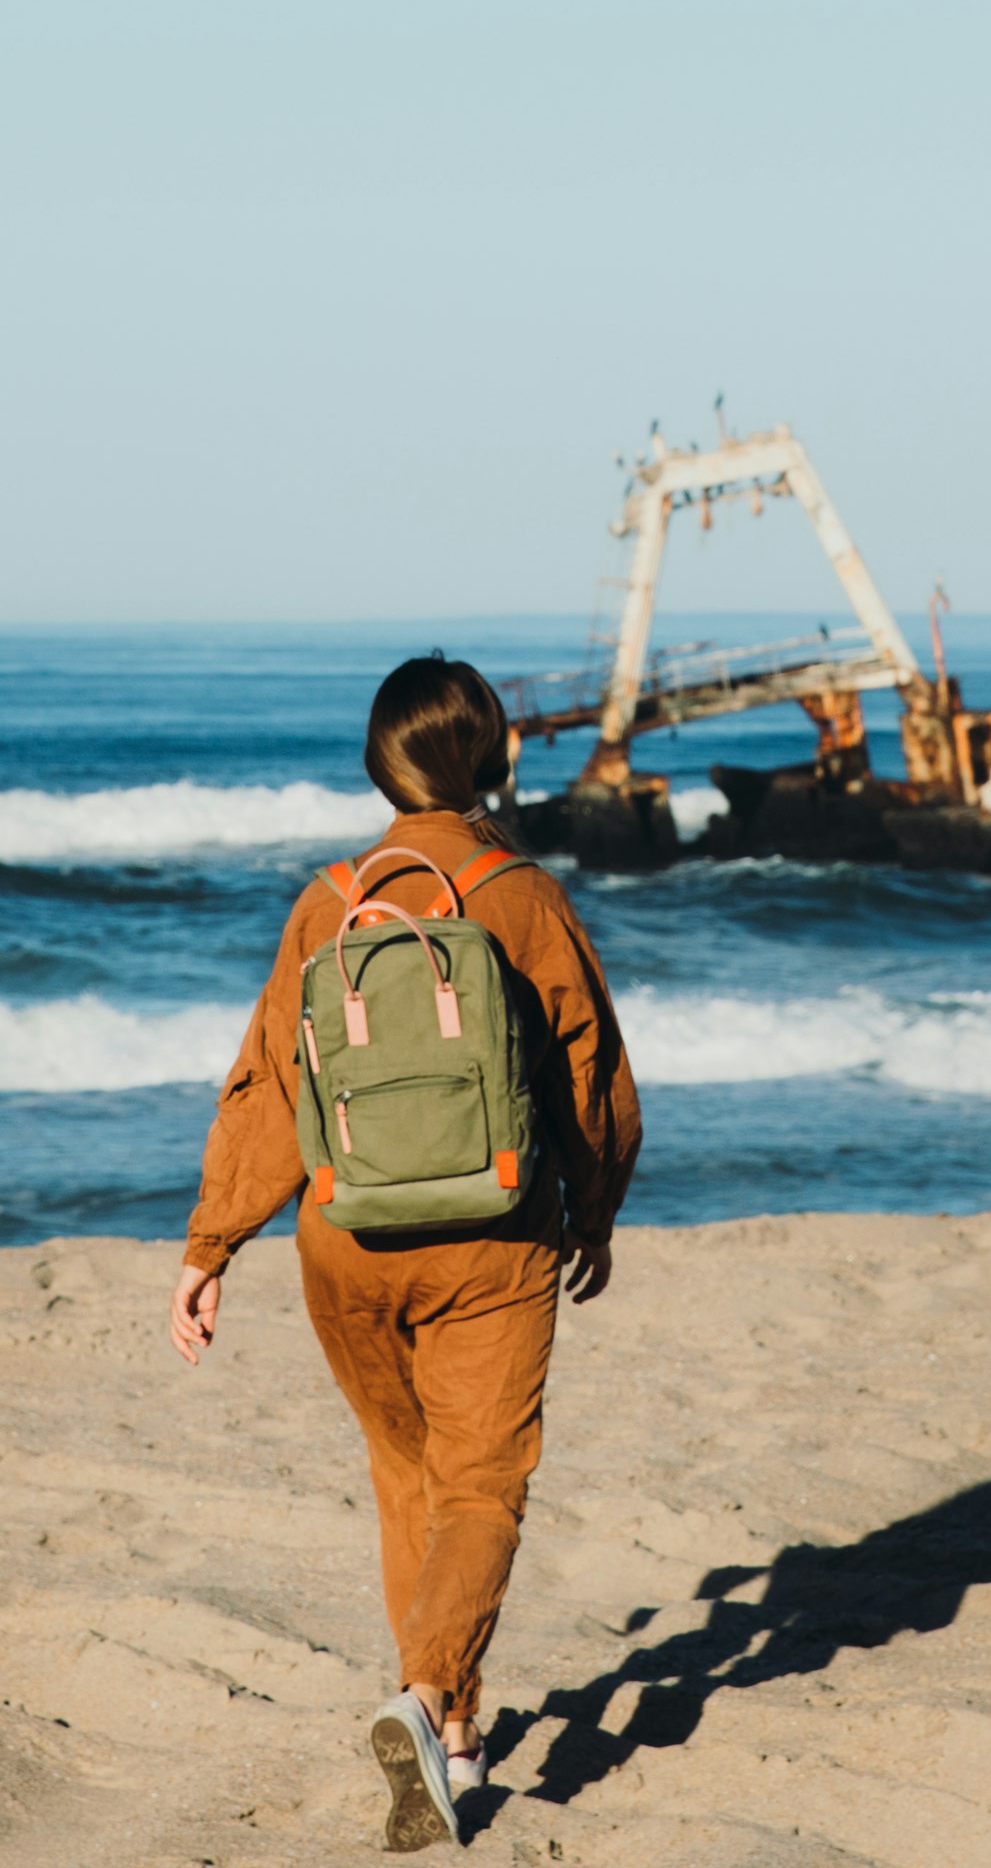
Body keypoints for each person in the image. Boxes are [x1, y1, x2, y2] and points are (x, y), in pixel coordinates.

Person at [168, 654, 641, 1851]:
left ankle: (462, 1744)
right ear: (496, 759)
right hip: (490, 1232)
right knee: (482, 1484)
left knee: (407, 1477)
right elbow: (593, 1073)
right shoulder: (521, 894)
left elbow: (269, 1082)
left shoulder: (330, 901)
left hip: (344, 1235)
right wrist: (594, 1207)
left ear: (377, 766)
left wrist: (211, 1244)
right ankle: (430, 1700)